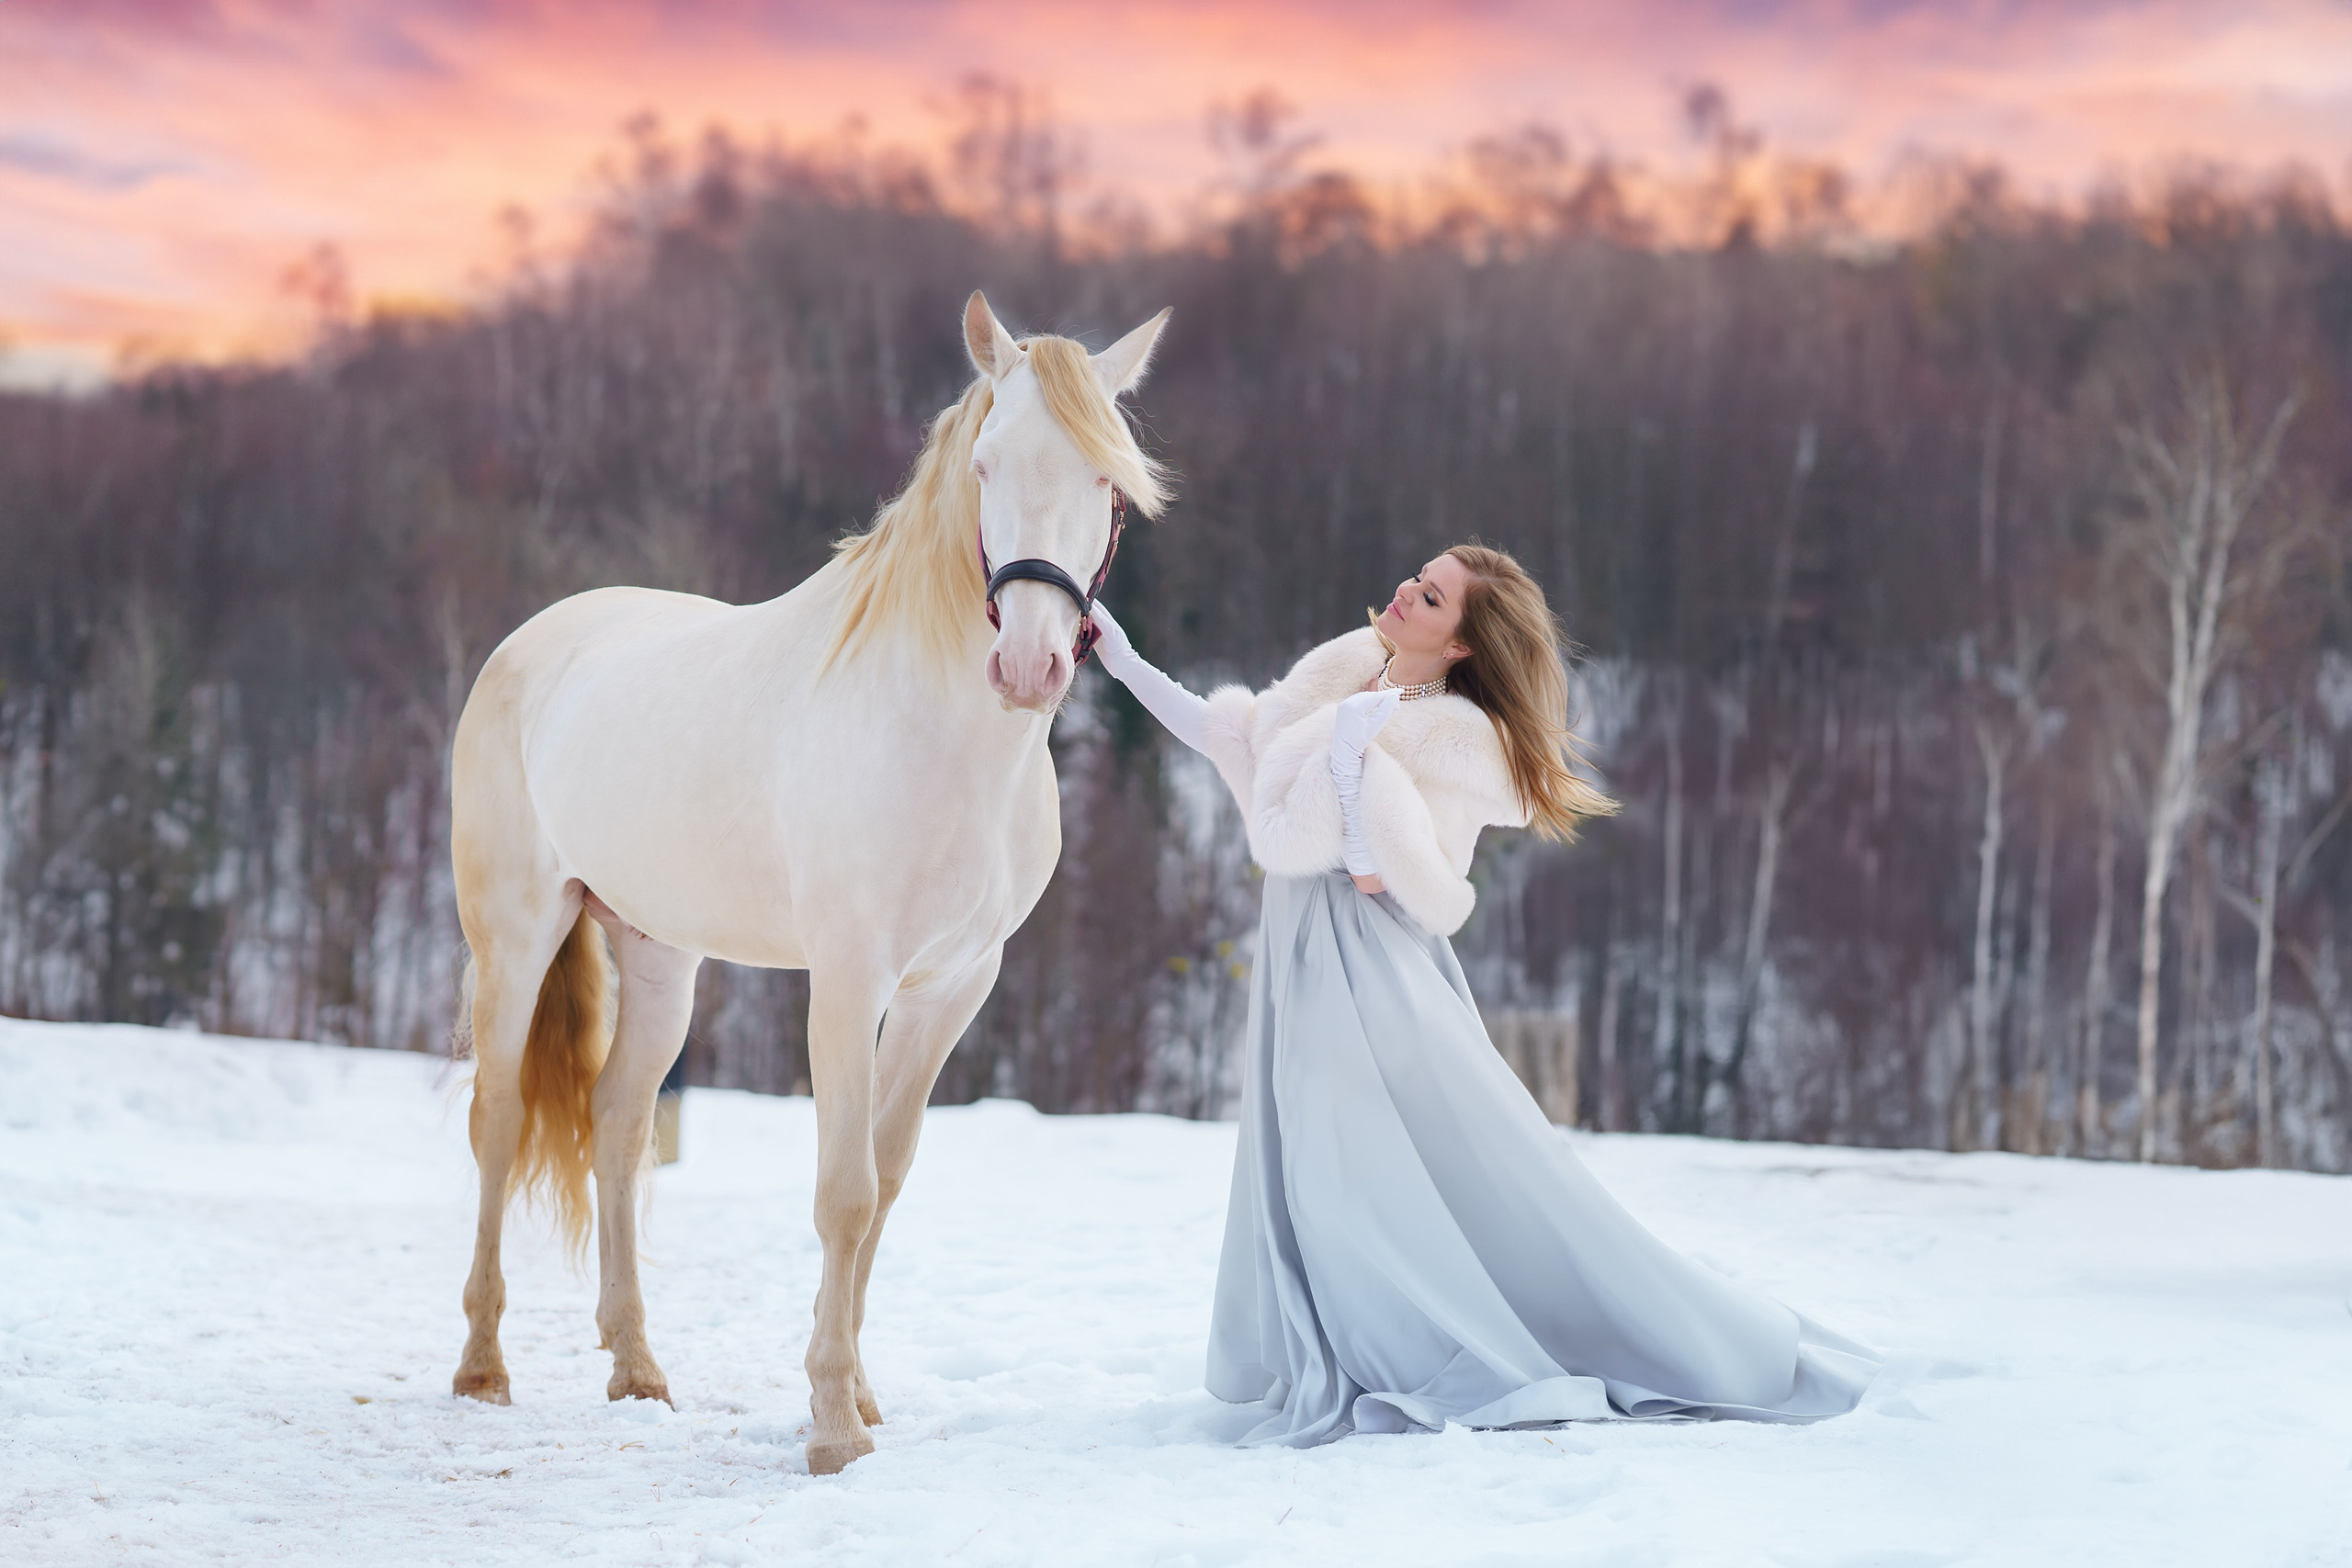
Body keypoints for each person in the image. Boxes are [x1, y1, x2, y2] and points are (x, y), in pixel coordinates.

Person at [1087, 544, 1879, 1447]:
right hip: (1302, 954)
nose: (1402, 594)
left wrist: (1353, 769)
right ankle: (1340, 1343)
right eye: (1413, 579)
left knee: (1347, 1172)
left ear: (1461, 644)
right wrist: (1120, 658)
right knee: (1311, 1163)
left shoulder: (1457, 742)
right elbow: (1240, 740)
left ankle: (1402, 1351)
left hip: (1365, 969)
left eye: (1429, 598)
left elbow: (1400, 880)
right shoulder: (1349, 671)